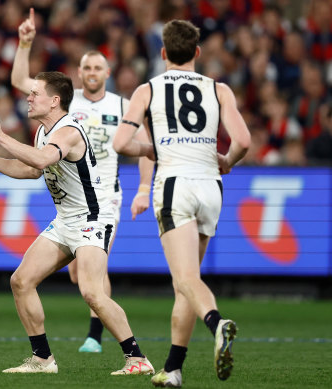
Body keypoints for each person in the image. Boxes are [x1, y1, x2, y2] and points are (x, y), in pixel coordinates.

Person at [0, 71, 155, 375]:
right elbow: (31, 171)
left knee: (92, 293)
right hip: (66, 220)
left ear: (55, 101)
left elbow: (41, 161)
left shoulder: (68, 131)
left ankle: (137, 359)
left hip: (92, 219)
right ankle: (43, 359)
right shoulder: (44, 131)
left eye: (35, 93)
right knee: (21, 281)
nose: (28, 97)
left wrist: (0, 136)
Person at [112, 20, 251, 387]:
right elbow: (243, 141)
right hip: (211, 185)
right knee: (186, 284)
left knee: (186, 279)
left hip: (175, 184)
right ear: (198, 53)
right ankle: (173, 369)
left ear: (162, 54)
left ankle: (216, 323)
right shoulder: (218, 88)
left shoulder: (148, 89)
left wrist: (152, 148)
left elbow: (122, 143)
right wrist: (227, 161)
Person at [11, 7, 155, 353]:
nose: (92, 72)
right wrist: (24, 43)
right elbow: (19, 83)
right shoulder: (65, 105)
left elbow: (145, 148)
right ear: (79, 73)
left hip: (105, 199)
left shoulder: (122, 106)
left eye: (97, 67)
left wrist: (145, 190)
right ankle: (89, 336)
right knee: (78, 276)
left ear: (108, 72)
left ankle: (99, 337)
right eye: (86, 67)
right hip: (71, 201)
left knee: (90, 278)